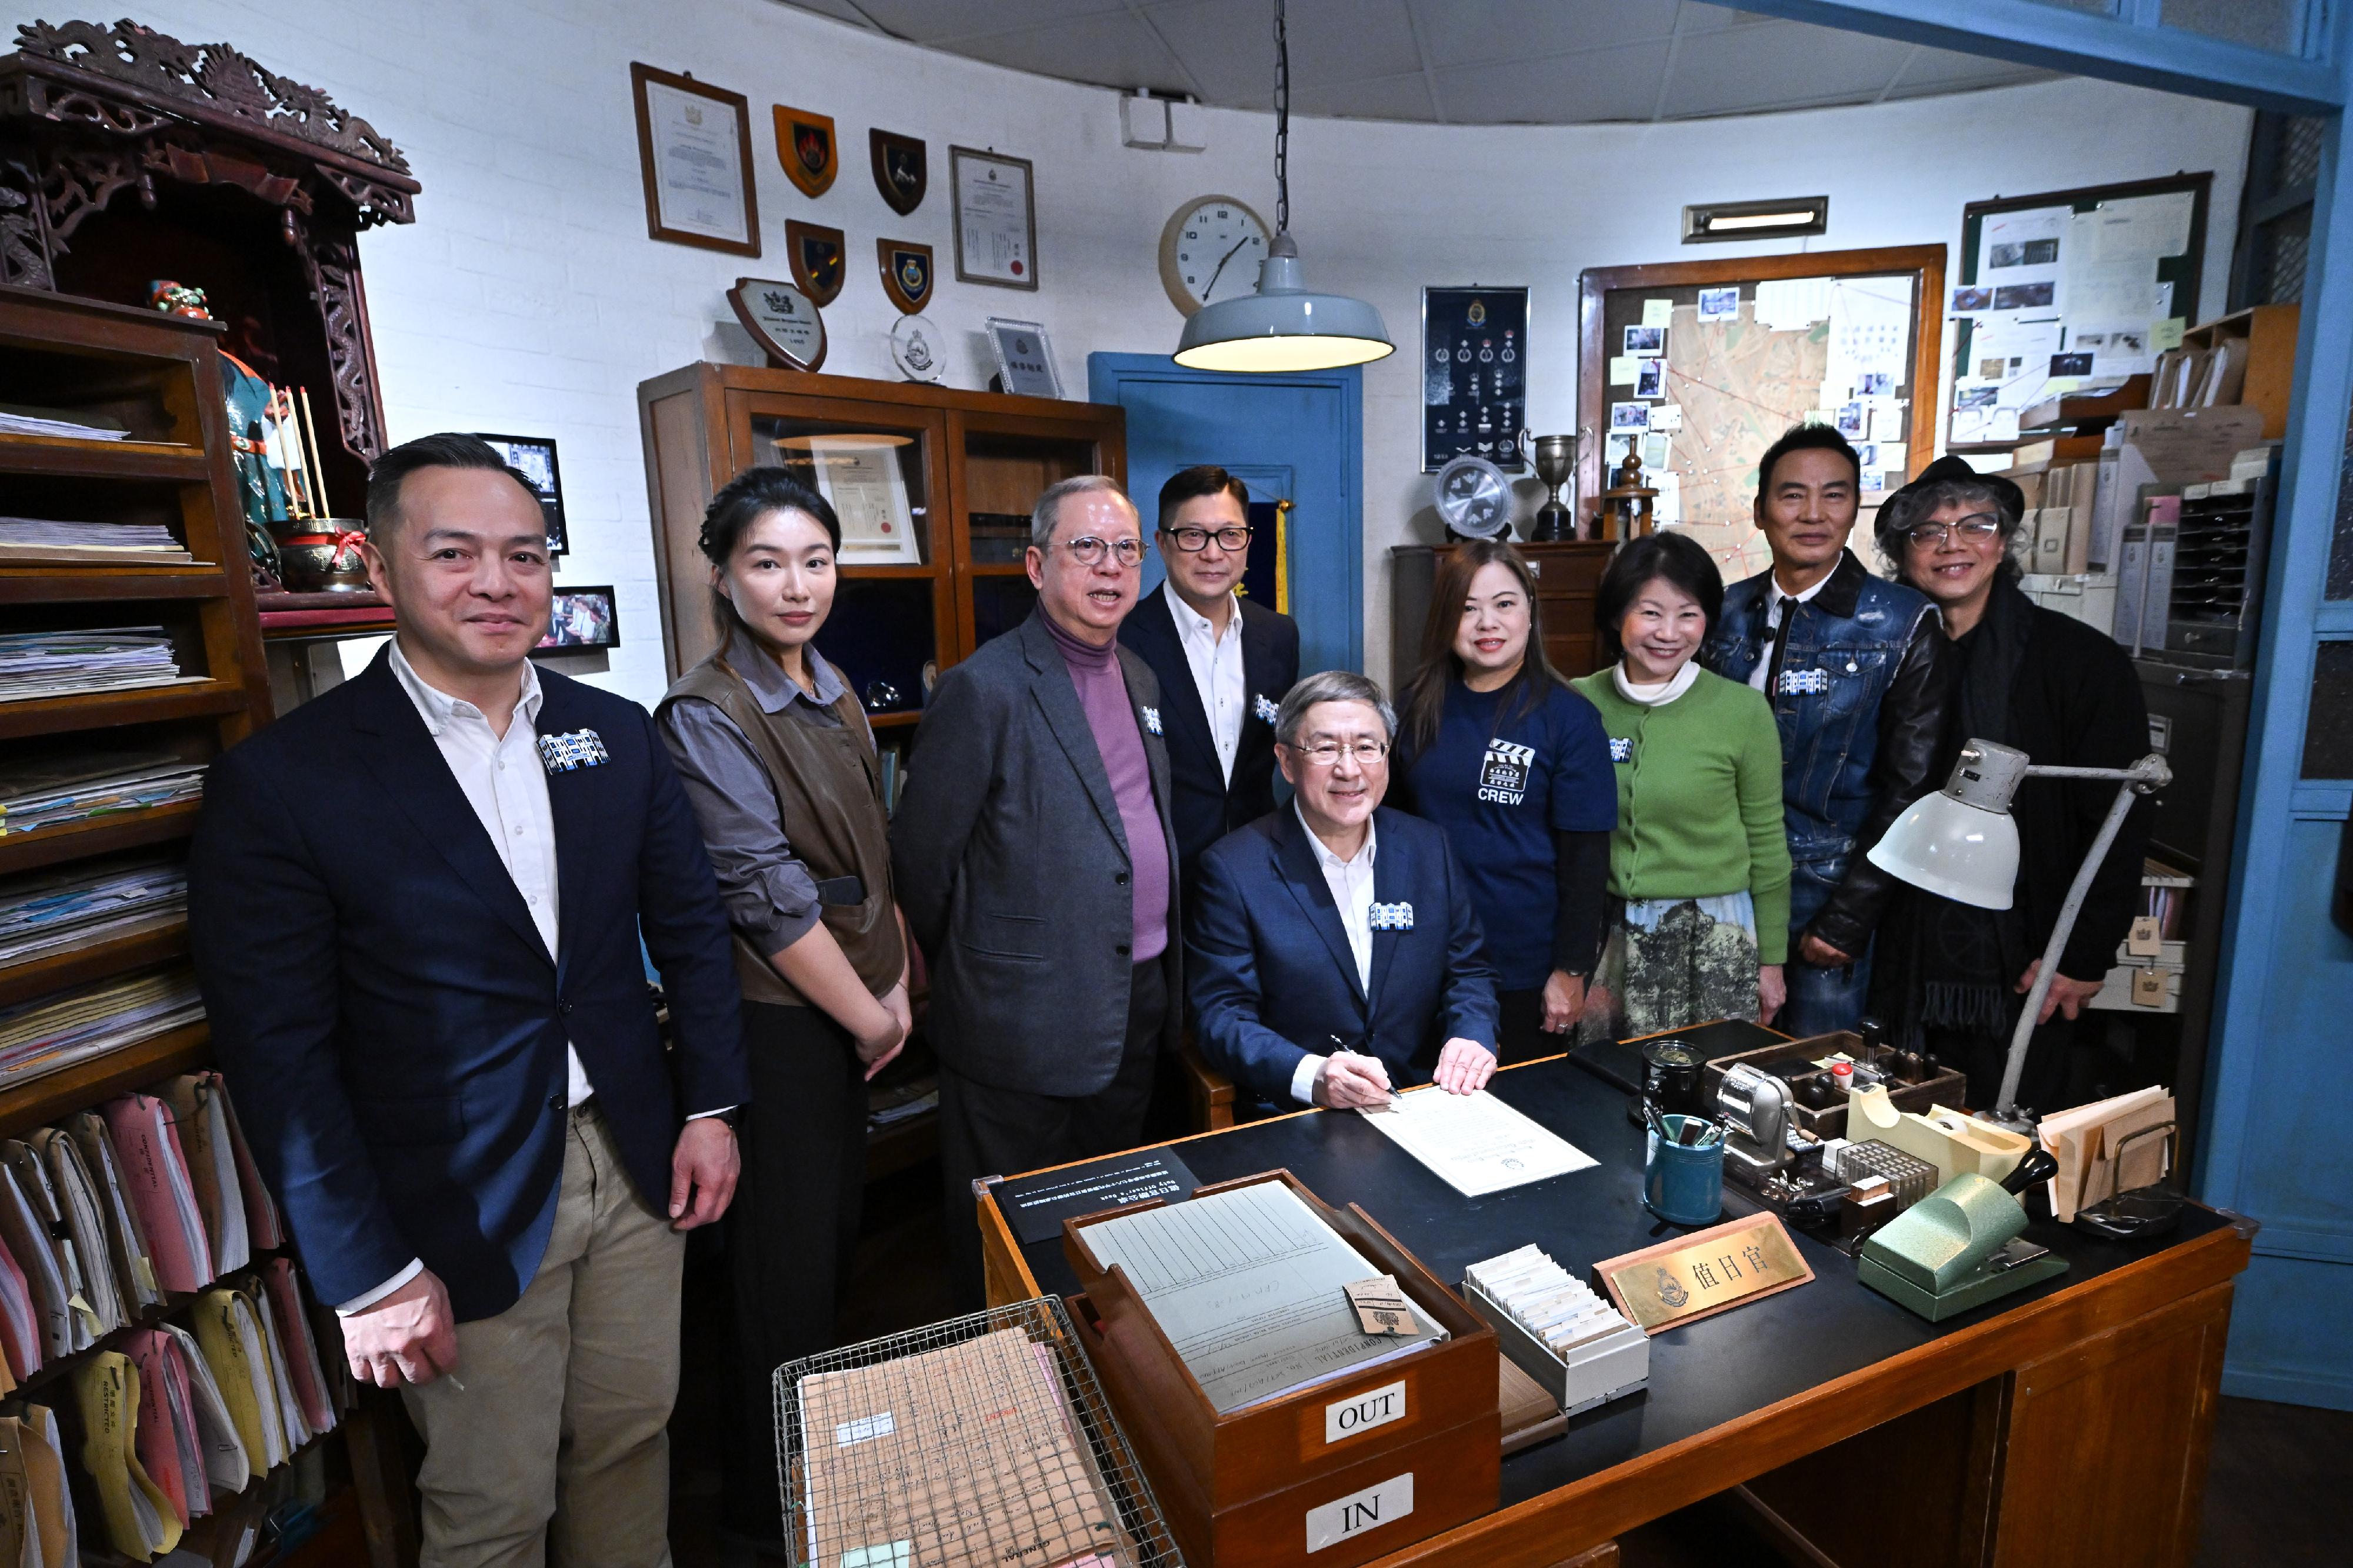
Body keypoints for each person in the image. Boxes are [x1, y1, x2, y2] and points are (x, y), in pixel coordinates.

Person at [188, 433, 746, 1567]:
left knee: (632, 1440)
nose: (498, 583)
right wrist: (370, 1275)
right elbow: (280, 1053)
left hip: (637, 1158)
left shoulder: (616, 731)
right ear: (384, 570)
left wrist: (713, 1107)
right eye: (455, 553)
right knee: (494, 1501)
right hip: (452, 1194)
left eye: (526, 556)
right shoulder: (288, 780)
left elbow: (690, 929)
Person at [655, 467, 911, 1544]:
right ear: (723, 576)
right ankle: (770, 1525)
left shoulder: (827, 679)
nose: (796, 585)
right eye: (767, 563)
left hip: (852, 992)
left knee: (828, 1253)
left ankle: (819, 1491)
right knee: (780, 1281)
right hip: (783, 1015)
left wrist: (900, 975)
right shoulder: (706, 712)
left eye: (816, 560)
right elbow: (763, 893)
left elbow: (875, 856)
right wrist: (869, 1015)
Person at [891, 475, 1181, 1300]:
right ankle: (1014, 1392)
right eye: (1085, 547)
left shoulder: (1140, 676)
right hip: (1020, 1016)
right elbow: (923, 857)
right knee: (1012, 1241)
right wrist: (990, 966)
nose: (1110, 567)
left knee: (1105, 1226)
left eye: (1125, 549)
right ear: (1035, 564)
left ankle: (1101, 1379)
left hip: (1134, 999)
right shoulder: (984, 688)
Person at [1865, 456, 2152, 1112]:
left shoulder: (2080, 661)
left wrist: (2083, 952)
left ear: (2003, 540)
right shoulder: (1880, 652)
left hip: (2021, 949)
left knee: (2004, 1133)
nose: (1952, 544)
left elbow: (2118, 816)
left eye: (1975, 524)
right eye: (1928, 531)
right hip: (1894, 940)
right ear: (1900, 553)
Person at [1699, 423, 1949, 1038]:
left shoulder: (1901, 621)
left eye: (1833, 495)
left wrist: (1848, 918)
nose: (1813, 513)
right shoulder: (1718, 611)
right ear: (1760, 511)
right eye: (1792, 495)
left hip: (1825, 892)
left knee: (1814, 1080)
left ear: (1854, 507)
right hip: (1719, 886)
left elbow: (1911, 787)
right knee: (1714, 1063)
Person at [1189, 670, 1502, 1113]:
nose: (1349, 768)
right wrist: (1312, 1075)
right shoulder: (1233, 869)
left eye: (1366, 746)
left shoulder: (1428, 847)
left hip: (1423, 1100)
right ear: (1286, 761)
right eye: (1326, 747)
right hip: (1300, 1116)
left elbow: (1468, 971)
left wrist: (1471, 1034)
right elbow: (1221, 1016)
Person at [1392, 541, 1615, 1063]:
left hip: (1523, 963)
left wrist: (1571, 971)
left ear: (1530, 612)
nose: (1486, 623)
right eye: (1468, 608)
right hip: (1423, 952)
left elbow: (1587, 861)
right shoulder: (1415, 704)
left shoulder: (1569, 719)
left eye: (1504, 604)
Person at [1574, 532, 1791, 1042]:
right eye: (1650, 613)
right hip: (1602, 935)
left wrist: (1772, 962)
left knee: (1706, 1091)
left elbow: (1767, 844)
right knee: (1598, 1089)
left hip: (1715, 937)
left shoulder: (1742, 712)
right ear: (1615, 615)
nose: (1669, 632)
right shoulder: (1577, 704)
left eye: (1688, 614)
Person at [1117, 465, 1301, 888]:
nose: (1213, 554)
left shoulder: (1278, 635)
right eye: (1193, 535)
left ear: (1247, 542)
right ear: (1162, 544)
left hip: (1261, 866)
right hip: (1163, 874)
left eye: (1229, 535)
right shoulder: (1125, 639)